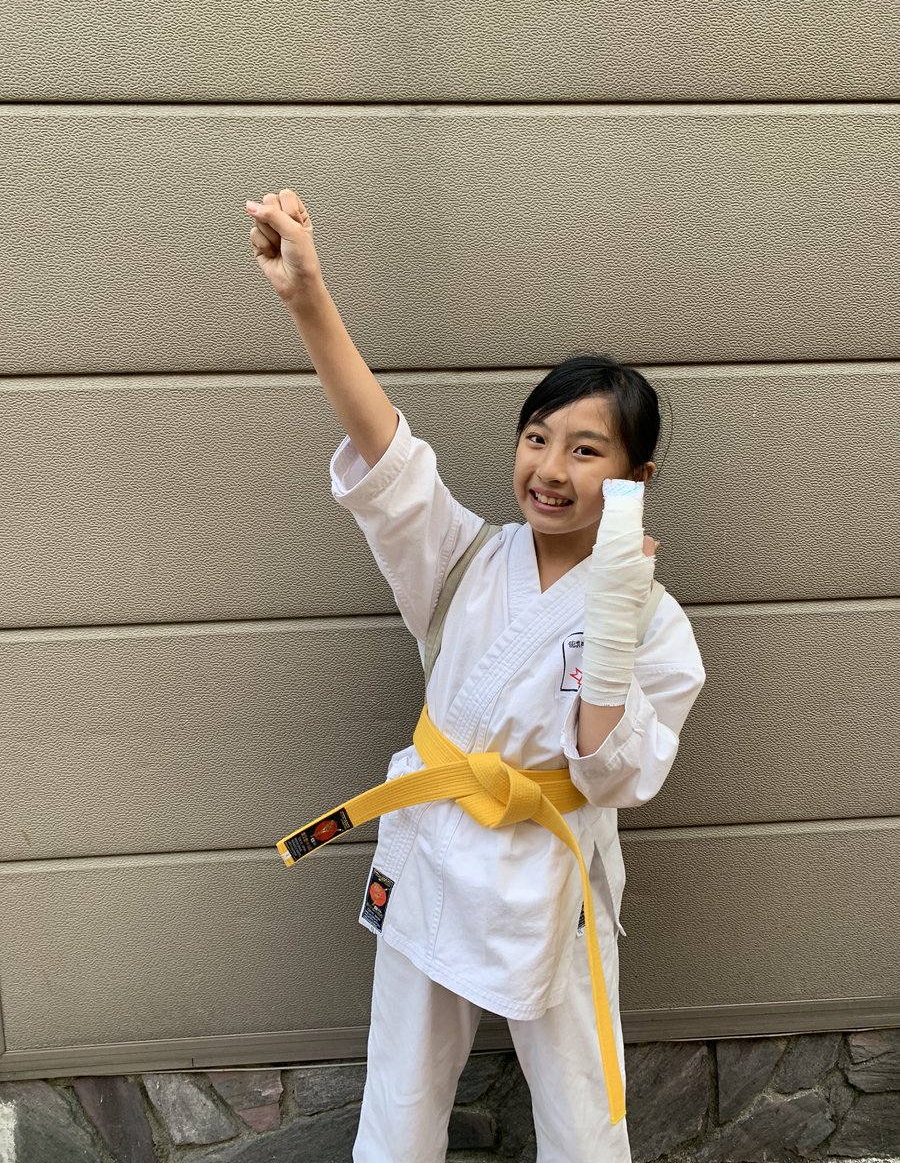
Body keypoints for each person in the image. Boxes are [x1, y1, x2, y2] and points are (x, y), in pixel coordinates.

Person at [245, 189, 706, 1163]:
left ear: (636, 480)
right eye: (537, 438)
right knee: (400, 1098)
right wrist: (308, 298)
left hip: (554, 867)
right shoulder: (461, 561)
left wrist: (610, 626)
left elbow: (612, 774)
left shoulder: (656, 626)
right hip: (437, 847)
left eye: (586, 450)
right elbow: (388, 455)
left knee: (585, 1113)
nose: (551, 467)